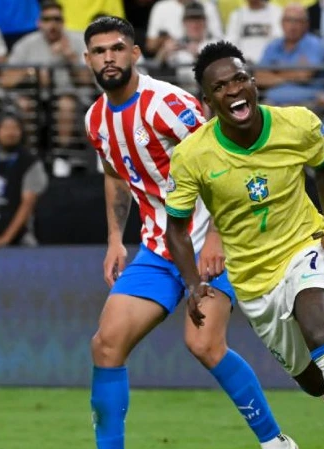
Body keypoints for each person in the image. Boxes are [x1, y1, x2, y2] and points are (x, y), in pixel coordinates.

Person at [81, 17, 296, 449]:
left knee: (203, 343)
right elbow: (115, 176)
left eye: (117, 48)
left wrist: (216, 233)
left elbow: (224, 155)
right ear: (88, 59)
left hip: (215, 240)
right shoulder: (96, 120)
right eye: (100, 51)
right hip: (160, 248)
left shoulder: (168, 103)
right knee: (106, 345)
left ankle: (275, 443)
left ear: (135, 53)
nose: (109, 58)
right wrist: (113, 239)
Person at [164, 41, 324, 449]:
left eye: (240, 78)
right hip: (252, 282)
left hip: (303, 246)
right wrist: (192, 283)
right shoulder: (192, 155)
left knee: (321, 330)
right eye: (221, 86)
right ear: (208, 101)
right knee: (314, 381)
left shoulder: (298, 124)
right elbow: (175, 228)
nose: (233, 90)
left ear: (254, 82)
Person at [0, 111, 48, 251]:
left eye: (15, 128)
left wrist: (5, 239)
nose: (10, 132)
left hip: (17, 242)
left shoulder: (30, 162)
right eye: (5, 128)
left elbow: (27, 204)